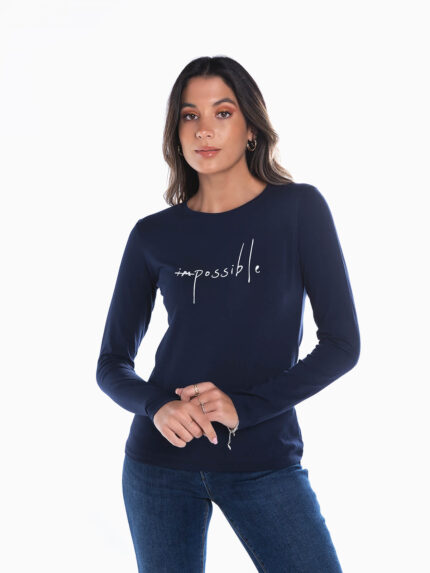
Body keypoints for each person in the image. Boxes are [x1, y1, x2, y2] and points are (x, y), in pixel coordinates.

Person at [96, 55, 360, 572]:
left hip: (264, 462)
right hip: (158, 465)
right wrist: (156, 406)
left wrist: (247, 408)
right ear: (176, 132)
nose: (204, 129)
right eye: (189, 115)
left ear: (251, 128)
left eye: (222, 112)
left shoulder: (298, 210)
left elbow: (342, 344)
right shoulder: (152, 234)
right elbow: (111, 363)